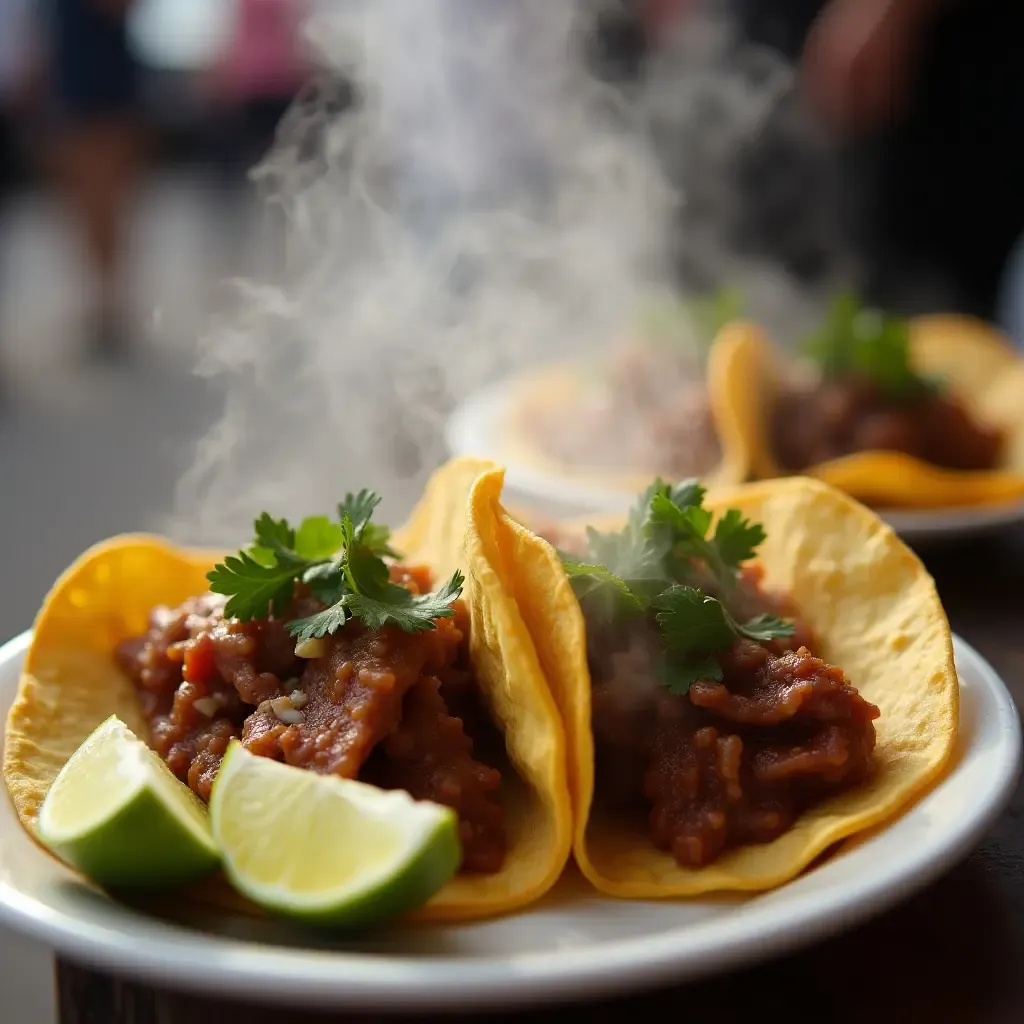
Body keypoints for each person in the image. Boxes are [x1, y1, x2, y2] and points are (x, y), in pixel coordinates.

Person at [40, 0, 145, 359]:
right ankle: (99, 305)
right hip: (70, 86)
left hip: (104, 89)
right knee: (82, 207)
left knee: (107, 204)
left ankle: (108, 307)